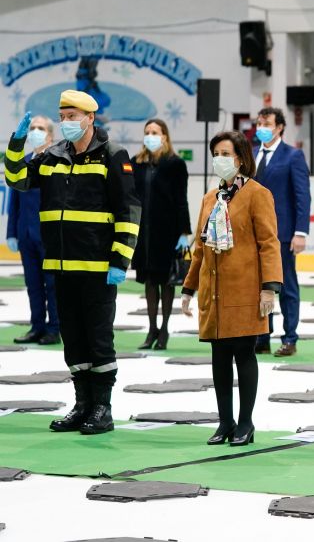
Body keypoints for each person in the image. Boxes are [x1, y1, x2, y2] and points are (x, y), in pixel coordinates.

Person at [5, 91, 141, 435]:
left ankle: (102, 407)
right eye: (62, 115)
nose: (66, 122)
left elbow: (128, 211)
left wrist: (120, 261)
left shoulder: (112, 155)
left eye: (72, 115)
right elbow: (16, 179)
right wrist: (17, 142)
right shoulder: (51, 156)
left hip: (98, 269)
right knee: (74, 341)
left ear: (90, 118)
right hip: (62, 266)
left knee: (98, 339)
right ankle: (82, 405)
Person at [181, 130, 282, 447]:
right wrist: (188, 287)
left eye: (225, 154)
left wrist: (269, 288)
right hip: (214, 291)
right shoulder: (209, 199)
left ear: (241, 158)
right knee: (219, 356)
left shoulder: (257, 194)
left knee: (243, 354)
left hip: (245, 289)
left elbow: (268, 243)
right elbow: (200, 248)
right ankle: (224, 422)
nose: (219, 160)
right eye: (216, 154)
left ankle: (245, 423)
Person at [252, 108, 310, 357]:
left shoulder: (293, 156)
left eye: (267, 123)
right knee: (258, 286)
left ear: (279, 128)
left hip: (283, 232)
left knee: (286, 286)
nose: (262, 126)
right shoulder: (252, 155)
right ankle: (262, 336)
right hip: (253, 231)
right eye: (259, 122)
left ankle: (290, 338)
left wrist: (300, 232)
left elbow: (302, 196)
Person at [131, 118, 191, 350]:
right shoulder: (137, 162)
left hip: (167, 232)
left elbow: (181, 200)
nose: (151, 135)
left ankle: (164, 329)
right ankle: (151, 328)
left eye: (155, 132)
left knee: (166, 281)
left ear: (165, 136)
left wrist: (184, 231)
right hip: (143, 231)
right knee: (148, 281)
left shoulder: (175, 164)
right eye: (147, 132)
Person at [8, 115, 60, 345]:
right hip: (25, 234)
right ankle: (36, 326)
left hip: (49, 236)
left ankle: (54, 328)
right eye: (33, 128)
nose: (35, 132)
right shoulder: (24, 162)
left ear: (50, 135)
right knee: (33, 284)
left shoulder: (57, 162)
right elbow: (14, 203)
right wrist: (12, 232)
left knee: (52, 284)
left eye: (40, 128)